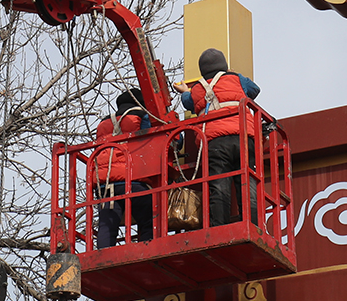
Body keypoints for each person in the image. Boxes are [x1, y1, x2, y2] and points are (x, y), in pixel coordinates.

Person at [174, 48, 260, 226]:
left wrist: (184, 90)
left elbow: (187, 102)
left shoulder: (198, 89)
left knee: (219, 186)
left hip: (215, 141)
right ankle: (252, 224)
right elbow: (254, 89)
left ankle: (218, 226)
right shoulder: (237, 79)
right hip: (243, 136)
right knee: (247, 182)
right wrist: (234, 75)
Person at [93, 89, 153, 248]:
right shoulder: (141, 116)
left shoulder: (103, 123)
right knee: (149, 218)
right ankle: (146, 250)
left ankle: (103, 257)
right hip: (132, 180)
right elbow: (157, 137)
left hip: (105, 183)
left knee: (107, 224)